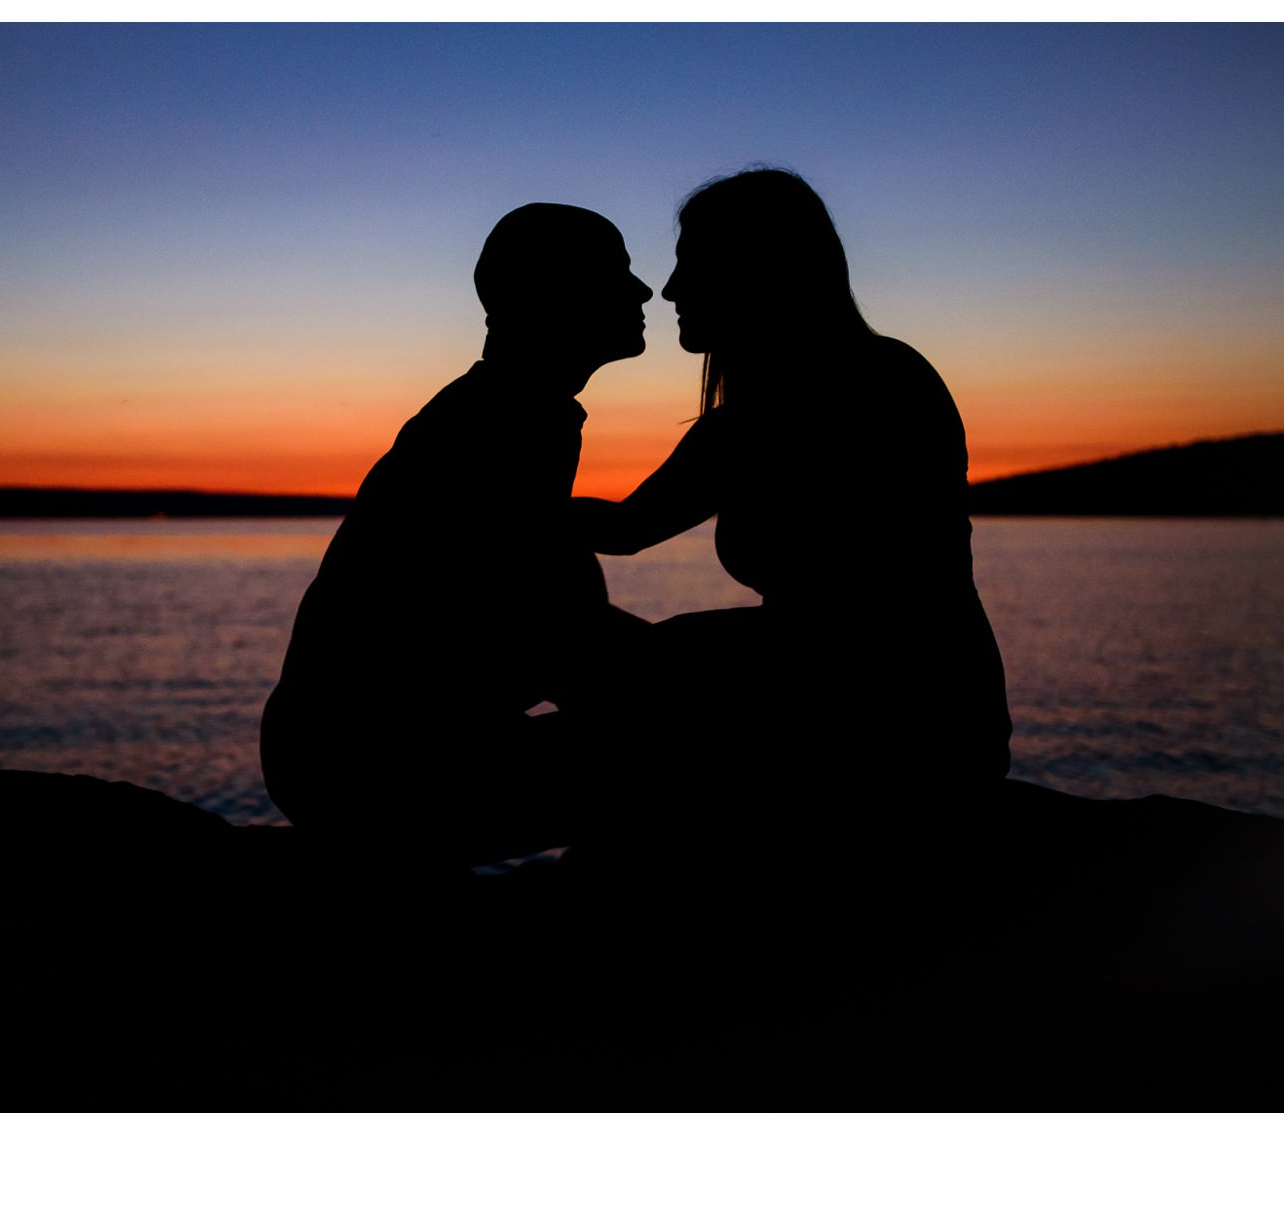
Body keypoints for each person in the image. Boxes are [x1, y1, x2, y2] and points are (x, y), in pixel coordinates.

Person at [575, 168, 1011, 802]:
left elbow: (624, 529)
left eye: (690, 263)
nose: (669, 289)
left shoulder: (862, 387)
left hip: (902, 720)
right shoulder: (795, 401)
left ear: (754, 268)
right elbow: (625, 526)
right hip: (893, 702)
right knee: (644, 660)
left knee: (644, 669)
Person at [261, 203, 654, 870]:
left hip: (349, 755)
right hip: (366, 768)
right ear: (554, 295)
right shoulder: (505, 422)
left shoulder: (510, 410)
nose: (643, 291)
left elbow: (540, 623)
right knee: (698, 753)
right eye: (616, 272)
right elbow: (543, 624)